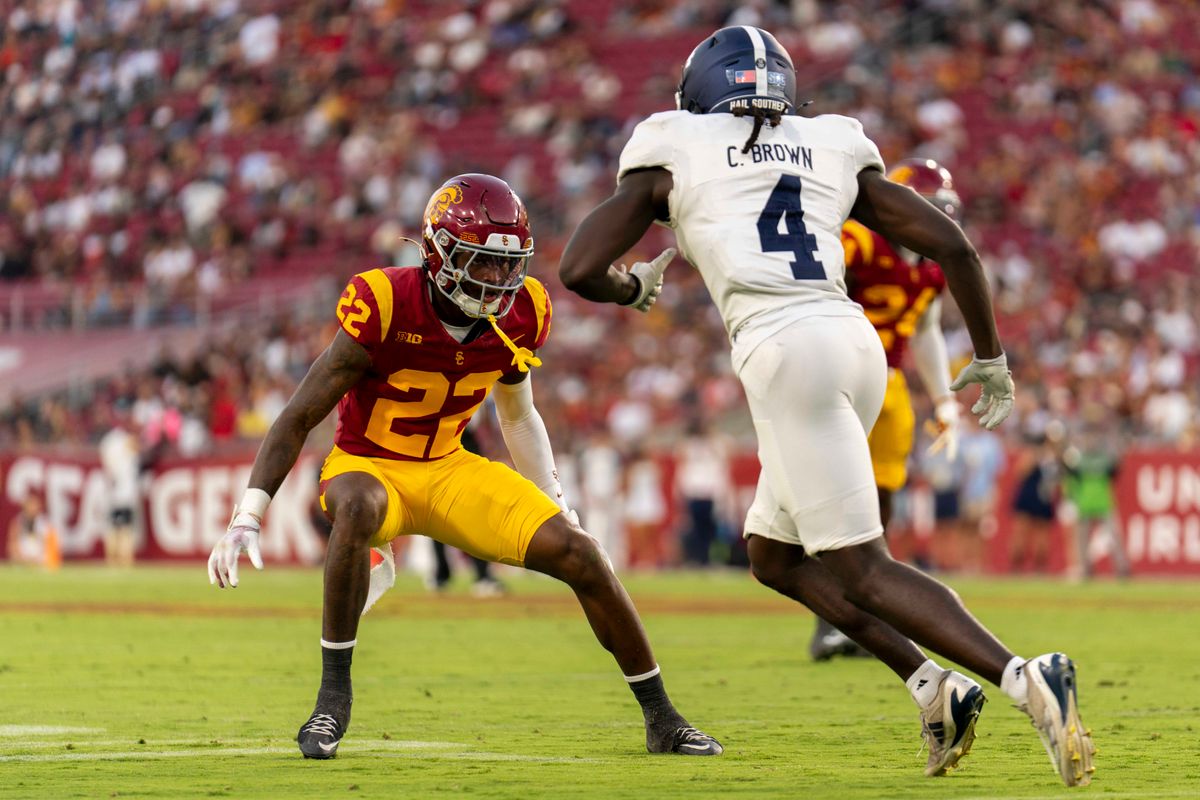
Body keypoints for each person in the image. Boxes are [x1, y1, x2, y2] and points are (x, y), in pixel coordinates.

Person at [558, 27, 1093, 786]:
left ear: (701, 91)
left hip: (786, 352)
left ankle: (1025, 678)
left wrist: (630, 287)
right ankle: (934, 688)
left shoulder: (673, 141)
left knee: (864, 568)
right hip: (855, 345)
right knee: (772, 556)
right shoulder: (830, 141)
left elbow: (579, 267)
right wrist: (992, 358)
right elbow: (955, 247)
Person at [206, 174, 721, 760]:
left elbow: (519, 418)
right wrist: (248, 516)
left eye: (508, 265)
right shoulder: (385, 301)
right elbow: (297, 417)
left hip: (450, 469)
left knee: (582, 553)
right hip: (370, 465)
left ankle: (662, 717)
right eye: (482, 262)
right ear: (438, 253)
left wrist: (553, 498)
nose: (500, 279)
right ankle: (332, 700)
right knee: (356, 506)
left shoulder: (523, 312)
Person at [810, 159, 963, 661]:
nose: (933, 223)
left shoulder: (932, 269)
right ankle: (831, 619)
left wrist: (943, 398)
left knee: (880, 501)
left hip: (891, 385)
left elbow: (926, 331)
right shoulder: (856, 240)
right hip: (839, 374)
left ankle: (866, 610)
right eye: (926, 210)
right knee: (832, 500)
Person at [98, 407, 142, 568]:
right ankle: (125, 561)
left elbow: (106, 466)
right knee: (126, 529)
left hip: (112, 490)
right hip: (126, 491)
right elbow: (137, 453)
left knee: (113, 528)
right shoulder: (128, 440)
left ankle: (112, 561)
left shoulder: (107, 442)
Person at [7, 491, 60, 569]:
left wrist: (39, 558)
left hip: (40, 560)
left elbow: (50, 546)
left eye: (35, 505)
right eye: (30, 505)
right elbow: (12, 544)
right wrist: (21, 558)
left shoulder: (45, 524)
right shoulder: (17, 523)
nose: (33, 508)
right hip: (22, 560)